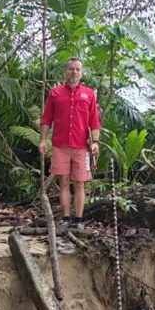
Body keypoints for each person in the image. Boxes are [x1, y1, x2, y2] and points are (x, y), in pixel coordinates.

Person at [38, 57, 101, 230]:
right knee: (64, 182)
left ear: (81, 73)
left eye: (77, 69)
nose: (74, 72)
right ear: (65, 72)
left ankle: (78, 220)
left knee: (79, 182)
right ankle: (66, 219)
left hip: (82, 148)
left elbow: (94, 121)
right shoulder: (55, 93)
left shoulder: (89, 94)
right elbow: (46, 119)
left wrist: (95, 142)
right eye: (71, 69)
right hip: (60, 146)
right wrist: (43, 140)